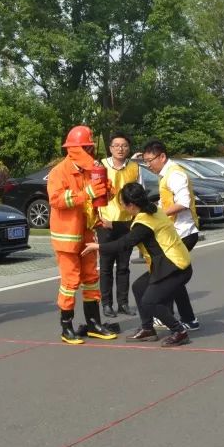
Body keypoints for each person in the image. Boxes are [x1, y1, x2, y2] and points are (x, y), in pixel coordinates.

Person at [83, 183, 193, 347]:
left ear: (131, 205)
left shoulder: (143, 223)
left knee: (151, 301)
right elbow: (132, 228)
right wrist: (112, 224)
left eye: (122, 202)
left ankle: (179, 331)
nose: (121, 205)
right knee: (139, 287)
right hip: (170, 263)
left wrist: (97, 246)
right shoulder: (151, 210)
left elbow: (124, 243)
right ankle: (148, 329)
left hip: (174, 267)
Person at [47, 125, 118, 344]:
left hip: (87, 233)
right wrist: (85, 193)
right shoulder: (59, 172)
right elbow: (56, 200)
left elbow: (104, 196)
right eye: (87, 147)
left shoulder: (90, 169)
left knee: (91, 279)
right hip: (67, 237)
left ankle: (93, 323)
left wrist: (107, 187)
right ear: (77, 148)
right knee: (70, 282)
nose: (91, 152)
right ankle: (65, 326)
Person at [141, 140, 199, 331]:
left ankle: (172, 316)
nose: (149, 165)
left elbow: (182, 202)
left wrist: (156, 214)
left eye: (150, 160)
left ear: (162, 156)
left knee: (168, 277)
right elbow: (167, 202)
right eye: (146, 161)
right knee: (174, 278)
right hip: (176, 233)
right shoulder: (166, 175)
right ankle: (187, 318)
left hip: (184, 233)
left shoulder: (174, 174)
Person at [98, 132, 140, 317]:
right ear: (110, 148)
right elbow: (94, 195)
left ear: (128, 148)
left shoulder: (134, 167)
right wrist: (98, 219)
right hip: (106, 221)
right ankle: (107, 304)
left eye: (124, 145)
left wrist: (137, 219)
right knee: (106, 266)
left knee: (124, 266)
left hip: (126, 222)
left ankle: (123, 303)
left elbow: (140, 194)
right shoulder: (100, 166)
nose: (120, 149)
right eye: (116, 145)